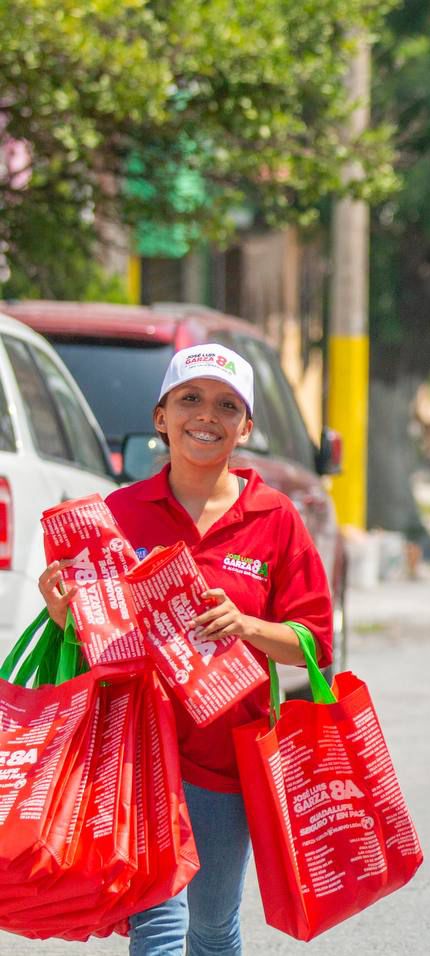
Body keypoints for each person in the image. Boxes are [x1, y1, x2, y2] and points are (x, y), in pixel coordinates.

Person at [38, 343, 333, 956]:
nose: (207, 415)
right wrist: (63, 606)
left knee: (212, 927)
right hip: (135, 756)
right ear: (161, 416)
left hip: (226, 756)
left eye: (227, 405)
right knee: (158, 928)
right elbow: (92, 637)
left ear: (246, 426)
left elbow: (313, 645)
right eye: (190, 399)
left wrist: (248, 626)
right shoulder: (115, 514)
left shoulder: (274, 518)